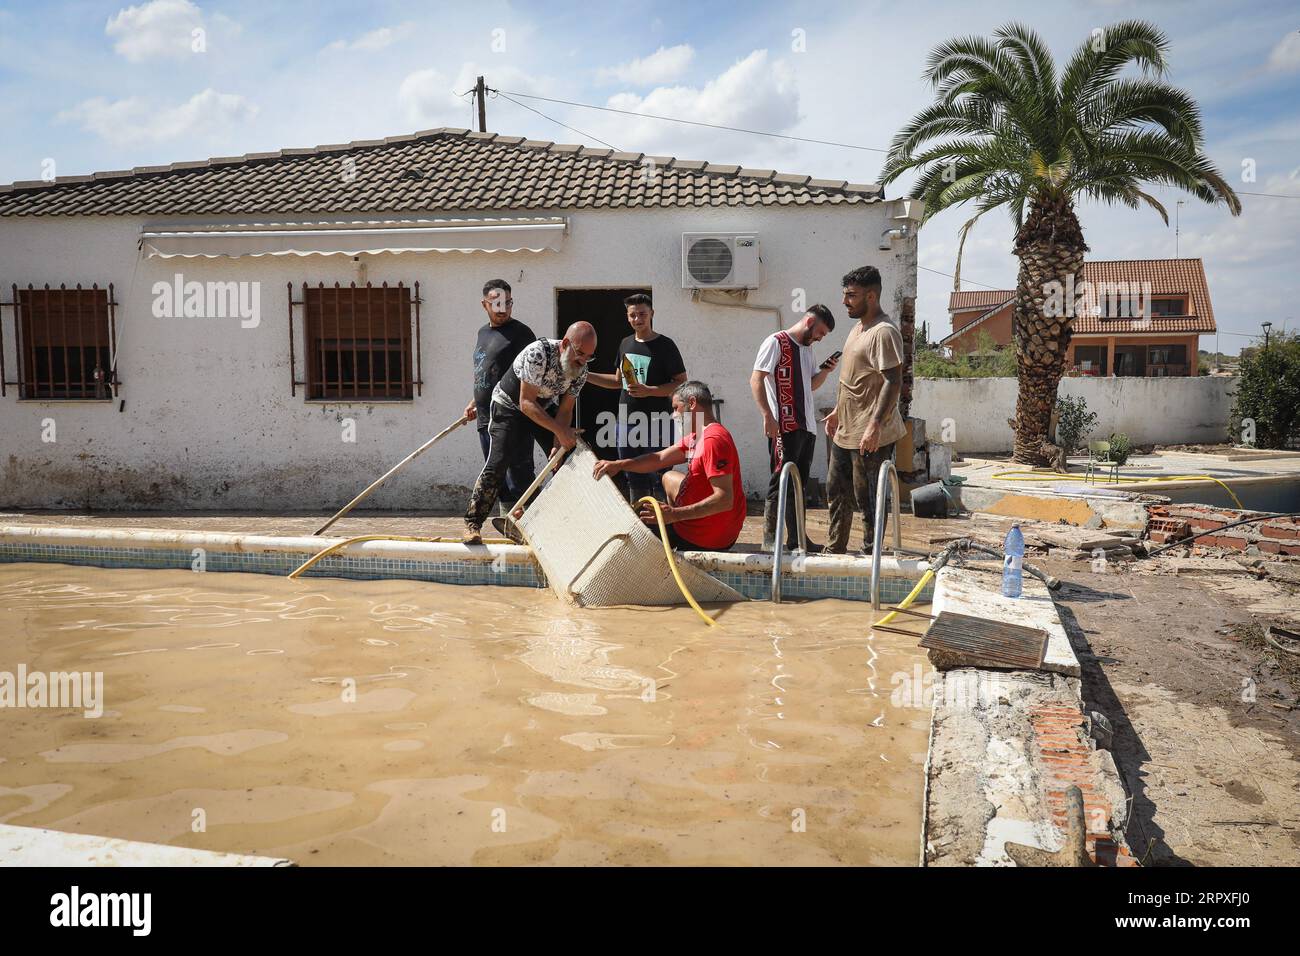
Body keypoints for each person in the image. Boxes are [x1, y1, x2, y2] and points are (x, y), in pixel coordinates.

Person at [463, 323, 597, 544]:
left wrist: (558, 442)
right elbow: (525, 403)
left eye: (589, 357)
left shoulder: (581, 370)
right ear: (565, 344)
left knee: (567, 458)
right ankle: (472, 524)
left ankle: (553, 522)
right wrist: (559, 431)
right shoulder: (538, 353)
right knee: (499, 462)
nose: (582, 361)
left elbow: (565, 410)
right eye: (580, 354)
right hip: (510, 406)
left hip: (542, 406)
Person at [592, 381, 745, 552]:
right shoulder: (699, 434)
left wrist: (674, 515)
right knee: (667, 477)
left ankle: (677, 536)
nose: (673, 415)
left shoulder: (713, 440)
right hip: (709, 525)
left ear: (692, 403)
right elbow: (659, 458)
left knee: (638, 540)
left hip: (706, 538)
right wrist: (619, 465)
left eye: (675, 408)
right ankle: (675, 528)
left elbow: (724, 500)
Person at [822, 266, 907, 554]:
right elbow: (852, 377)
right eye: (845, 295)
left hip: (869, 432)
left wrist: (875, 425)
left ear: (871, 296)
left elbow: (893, 382)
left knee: (867, 497)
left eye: (851, 296)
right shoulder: (857, 328)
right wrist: (837, 410)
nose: (845, 301)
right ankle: (835, 549)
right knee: (836, 491)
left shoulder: (884, 332)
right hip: (846, 428)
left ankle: (871, 554)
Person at [750, 304, 838, 551]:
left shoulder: (807, 349)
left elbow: (810, 385)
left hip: (806, 426)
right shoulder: (775, 342)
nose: (820, 338)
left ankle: (798, 538)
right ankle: (770, 540)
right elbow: (756, 379)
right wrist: (767, 415)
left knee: (797, 483)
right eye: (820, 332)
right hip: (784, 425)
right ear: (810, 322)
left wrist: (826, 371)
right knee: (780, 479)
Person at [585, 293, 687, 501]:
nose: (637, 319)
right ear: (627, 316)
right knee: (632, 475)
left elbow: (681, 383)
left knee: (659, 475)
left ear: (652, 314)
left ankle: (662, 526)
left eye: (642, 314)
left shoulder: (666, 345)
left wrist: (650, 390)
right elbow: (617, 381)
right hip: (626, 421)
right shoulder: (625, 344)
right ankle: (640, 526)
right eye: (633, 315)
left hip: (658, 422)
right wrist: (584, 375)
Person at [463, 279, 536, 506]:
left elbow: (530, 378)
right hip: (486, 419)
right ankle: (509, 529)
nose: (502, 309)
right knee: (497, 481)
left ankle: (534, 527)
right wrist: (474, 401)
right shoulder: (482, 333)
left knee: (520, 480)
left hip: (513, 420)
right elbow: (489, 373)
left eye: (507, 303)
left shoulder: (522, 334)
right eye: (495, 304)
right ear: (484, 304)